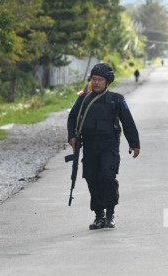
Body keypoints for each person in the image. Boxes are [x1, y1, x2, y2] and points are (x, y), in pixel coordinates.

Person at [67, 63, 140, 230]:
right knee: (92, 179)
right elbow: (72, 118)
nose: (97, 82)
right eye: (94, 79)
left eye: (100, 80)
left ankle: (110, 213)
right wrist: (71, 136)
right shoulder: (83, 98)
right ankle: (99, 215)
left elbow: (128, 122)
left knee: (107, 176)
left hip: (109, 145)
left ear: (107, 82)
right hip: (90, 145)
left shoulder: (116, 99)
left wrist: (134, 144)